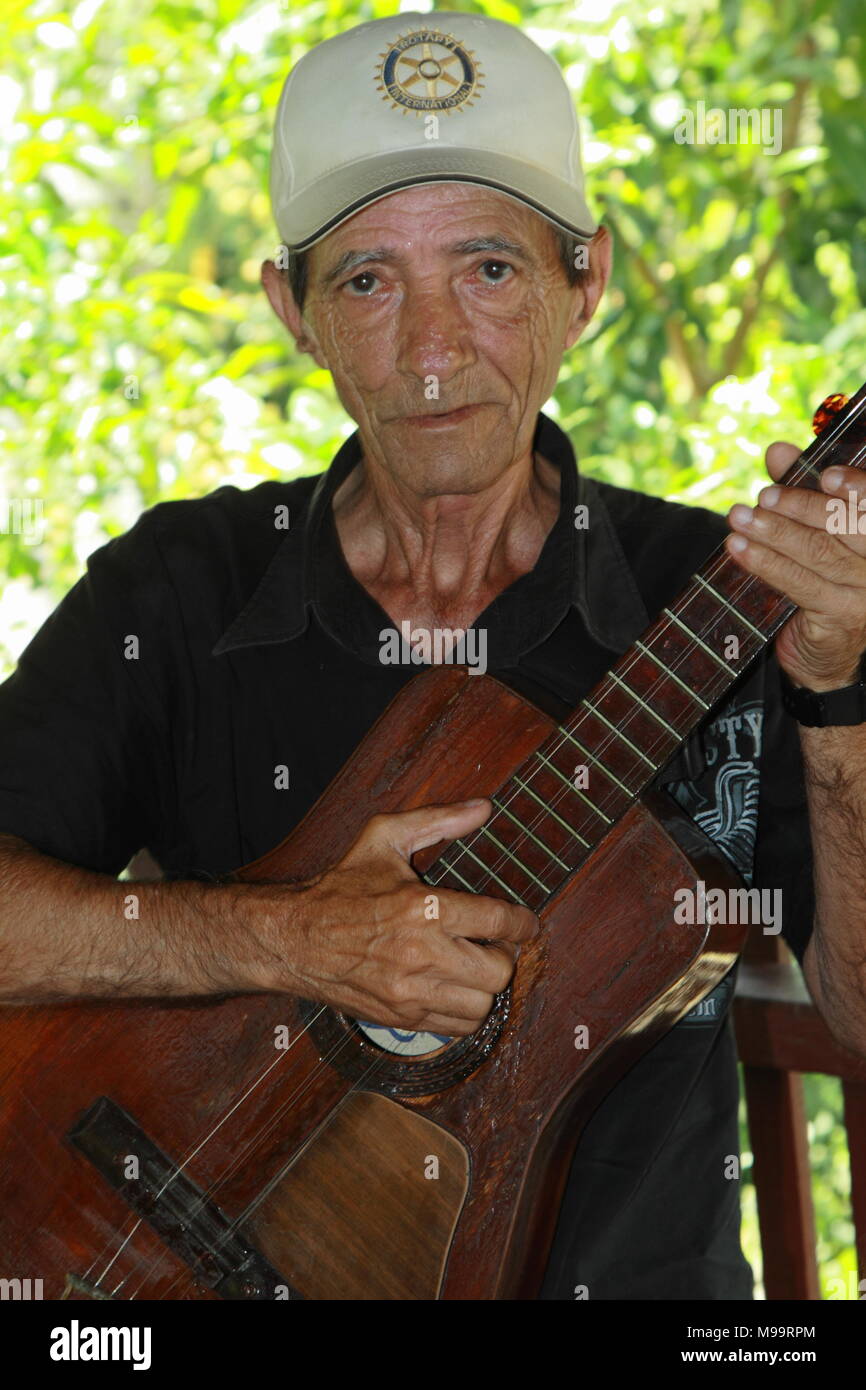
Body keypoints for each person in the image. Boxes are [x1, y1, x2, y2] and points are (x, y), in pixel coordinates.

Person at [1, 11, 866, 1300]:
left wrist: (841, 694)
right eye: (366, 280)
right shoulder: (182, 587)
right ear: (291, 310)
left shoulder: (731, 603)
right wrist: (288, 939)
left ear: (588, 283)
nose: (433, 348)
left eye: (489, 268)